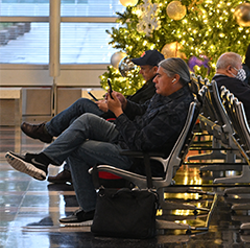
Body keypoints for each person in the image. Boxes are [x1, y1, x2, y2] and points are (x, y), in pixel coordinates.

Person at [4, 58, 193, 226]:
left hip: (139, 158)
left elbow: (141, 143)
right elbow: (143, 111)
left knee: (77, 149)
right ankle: (43, 161)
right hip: (128, 138)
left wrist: (118, 112)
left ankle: (90, 210)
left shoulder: (175, 110)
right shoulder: (167, 96)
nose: (154, 80)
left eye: (158, 76)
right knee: (87, 119)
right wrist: (125, 104)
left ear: (175, 78)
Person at [20, 49, 165, 184]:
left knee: (82, 105)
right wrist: (121, 101)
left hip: (123, 126)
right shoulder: (152, 87)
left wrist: (111, 108)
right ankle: (67, 169)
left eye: (143, 69)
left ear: (155, 69)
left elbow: (140, 116)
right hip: (123, 122)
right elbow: (139, 108)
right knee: (75, 120)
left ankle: (46, 133)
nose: (140, 72)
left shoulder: (157, 90)